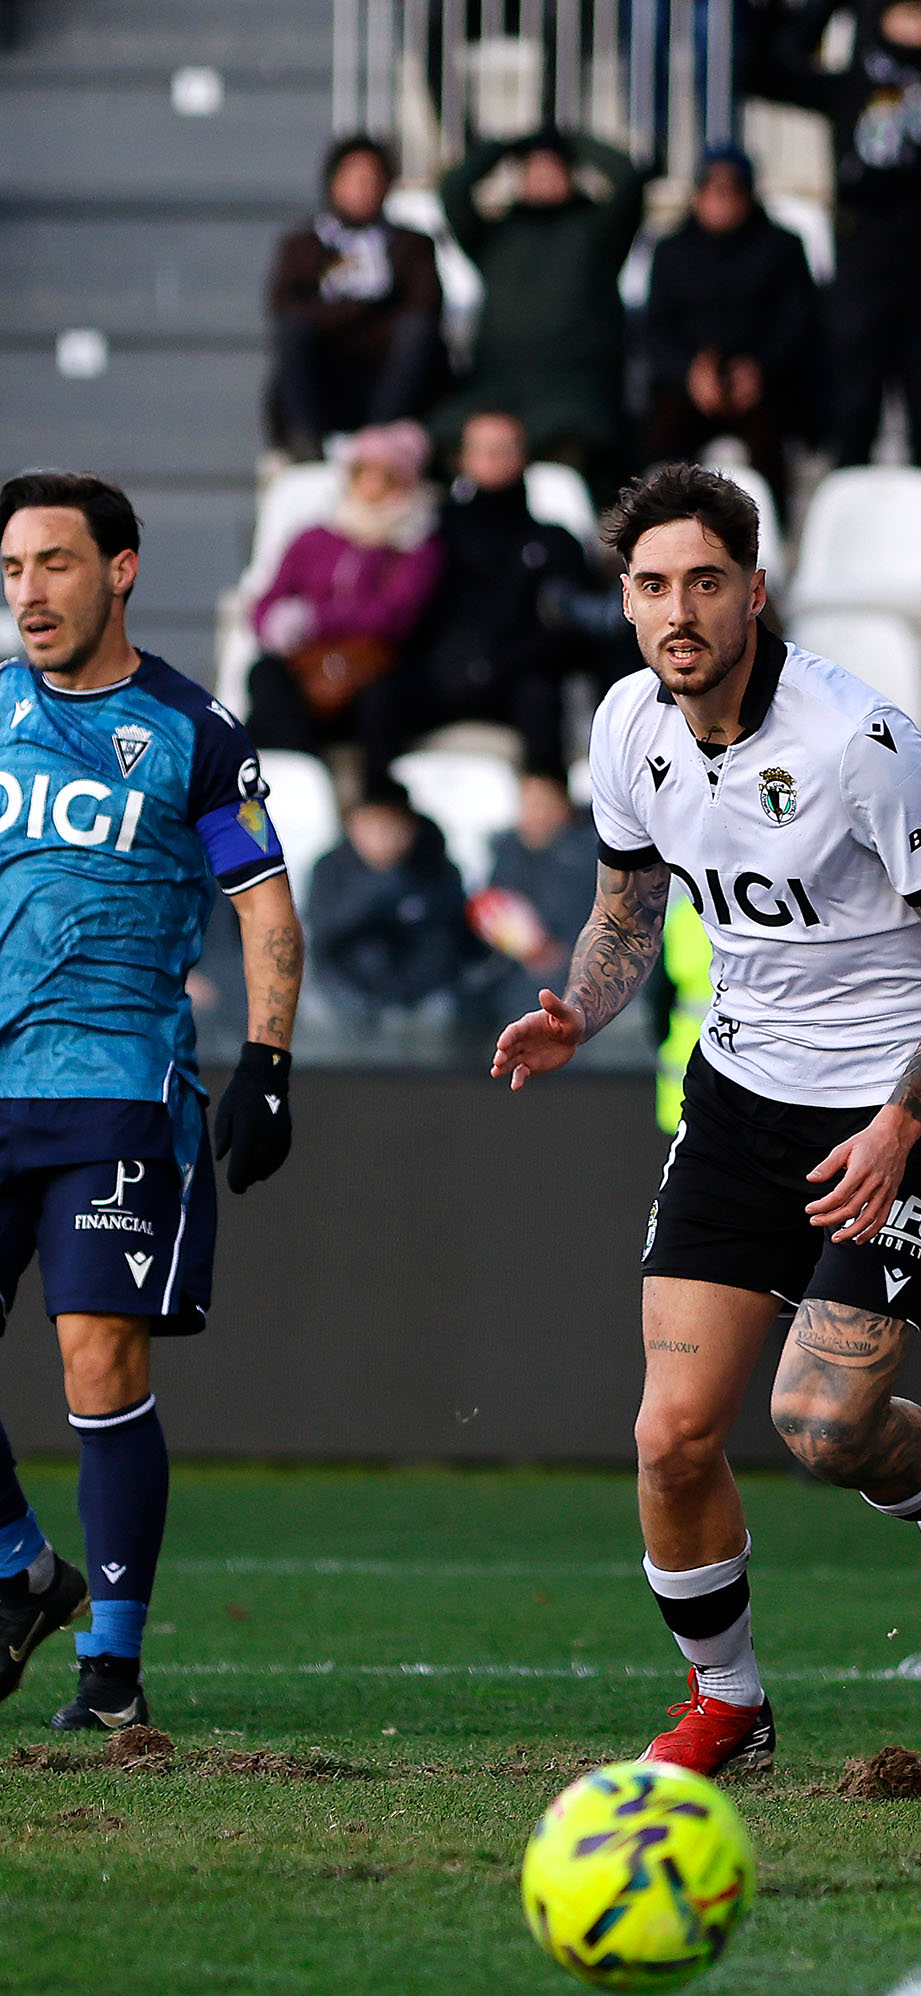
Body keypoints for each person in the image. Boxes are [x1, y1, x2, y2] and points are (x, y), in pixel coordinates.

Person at [489, 465, 921, 1773]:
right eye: (655, 586)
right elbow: (627, 912)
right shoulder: (628, 726)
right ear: (625, 603)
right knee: (669, 1437)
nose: (681, 610)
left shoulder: (855, 740)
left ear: (756, 592)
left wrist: (904, 1123)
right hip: (741, 1093)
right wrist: (577, 1008)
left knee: (824, 1428)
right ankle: (730, 1702)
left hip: (904, 1093)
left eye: (706, 583)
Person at [0, 471, 304, 1732]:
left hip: (121, 1092)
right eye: (13, 570)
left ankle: (111, 1670)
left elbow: (263, 907)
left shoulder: (193, 729)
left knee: (96, 1361)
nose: (29, 594)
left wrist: (269, 1064)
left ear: (120, 570)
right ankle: (23, 1568)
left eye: (55, 565)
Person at [753, 0, 921, 476]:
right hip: (863, 265)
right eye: (904, 16)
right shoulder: (852, 83)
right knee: (854, 414)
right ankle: (847, 526)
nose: (915, 31)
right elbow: (769, 66)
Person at [369, 409, 601, 789]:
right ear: (464, 457)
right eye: (482, 449)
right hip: (438, 677)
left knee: (540, 695)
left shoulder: (552, 541)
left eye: (502, 448)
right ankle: (379, 809)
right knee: (379, 696)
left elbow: (573, 628)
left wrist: (501, 664)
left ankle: (546, 804)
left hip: (516, 679)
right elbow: (404, 608)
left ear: (524, 455)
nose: (492, 458)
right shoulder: (432, 532)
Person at [436, 128, 648, 478]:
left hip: (575, 389)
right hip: (497, 386)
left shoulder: (599, 231)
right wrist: (509, 144)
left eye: (553, 169)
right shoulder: (496, 235)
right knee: (446, 434)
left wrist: (570, 139)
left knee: (570, 444)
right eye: (533, 170)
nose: (543, 178)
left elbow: (627, 180)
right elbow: (453, 189)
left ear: (571, 174)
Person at [242, 421, 443, 763]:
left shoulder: (416, 546)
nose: (372, 486)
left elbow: (396, 615)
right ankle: (295, 780)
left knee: (384, 699)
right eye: (363, 473)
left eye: (386, 477)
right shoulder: (314, 538)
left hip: (376, 667)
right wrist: (277, 623)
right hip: (307, 664)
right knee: (265, 678)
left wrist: (315, 619)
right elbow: (268, 598)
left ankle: (376, 798)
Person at [642, 149, 821, 493]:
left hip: (763, 381)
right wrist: (690, 372)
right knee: (664, 437)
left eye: (731, 191)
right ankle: (665, 524)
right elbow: (655, 329)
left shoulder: (781, 247)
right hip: (688, 382)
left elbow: (799, 323)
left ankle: (767, 528)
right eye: (712, 190)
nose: (721, 202)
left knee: (769, 434)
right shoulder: (670, 250)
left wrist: (759, 368)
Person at [265, 135, 443, 460]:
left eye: (372, 178)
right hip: (326, 380)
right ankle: (311, 442)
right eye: (353, 178)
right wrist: (371, 306)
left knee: (417, 335)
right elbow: (285, 311)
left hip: (389, 383)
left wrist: (335, 313)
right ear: (332, 183)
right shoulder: (302, 245)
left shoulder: (412, 245)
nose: (363, 188)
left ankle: (379, 442)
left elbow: (425, 309)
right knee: (291, 334)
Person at [304, 780, 486, 1025]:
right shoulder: (329, 871)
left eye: (390, 827)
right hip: (345, 1003)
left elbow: (452, 945)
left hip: (426, 1002)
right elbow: (321, 944)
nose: (379, 837)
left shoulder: (438, 872)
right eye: (369, 827)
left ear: (411, 828)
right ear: (352, 827)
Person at [472, 772, 598, 1026]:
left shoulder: (592, 857)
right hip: (515, 995)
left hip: (584, 991)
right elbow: (489, 915)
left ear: (565, 807)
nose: (537, 814)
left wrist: (562, 952)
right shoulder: (505, 855)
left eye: (545, 804)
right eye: (529, 804)